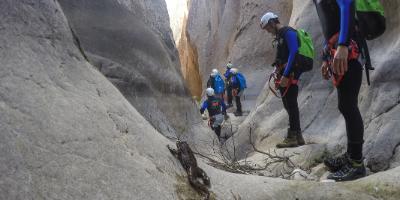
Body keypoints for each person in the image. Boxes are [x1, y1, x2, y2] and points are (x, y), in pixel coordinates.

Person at [313, 0, 366, 181]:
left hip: (348, 48)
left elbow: (347, 5)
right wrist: (324, 56)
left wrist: (343, 44)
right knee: (345, 105)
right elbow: (328, 25)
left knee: (349, 105)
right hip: (337, 49)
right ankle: (352, 155)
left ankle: (357, 163)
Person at [260, 12, 305, 148]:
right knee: (288, 104)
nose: (268, 31)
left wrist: (285, 75)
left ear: (272, 23)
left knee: (291, 104)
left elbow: (293, 52)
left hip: (289, 74)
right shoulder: (280, 36)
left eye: (268, 28)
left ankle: (293, 136)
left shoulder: (288, 32)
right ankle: (297, 136)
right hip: (285, 73)